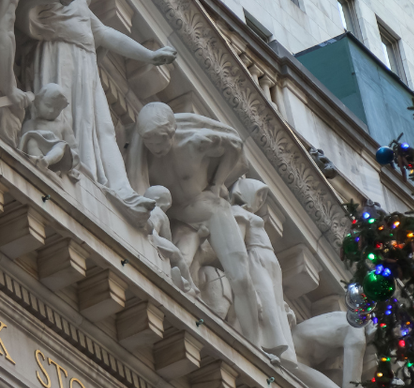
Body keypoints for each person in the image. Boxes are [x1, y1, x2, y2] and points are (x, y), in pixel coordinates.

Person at [11, 0, 177, 226]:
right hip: (55, 51)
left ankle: (121, 189)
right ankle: (57, 157)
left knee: (101, 125)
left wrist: (148, 56)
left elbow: (103, 33)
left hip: (84, 60)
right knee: (61, 113)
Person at [124, 103, 261, 341]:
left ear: (172, 132)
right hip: (176, 216)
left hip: (207, 209)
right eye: (151, 142)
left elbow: (235, 146)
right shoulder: (142, 151)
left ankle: (256, 344)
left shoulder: (194, 141)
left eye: (160, 141)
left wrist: (217, 184)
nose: (156, 148)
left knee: (240, 275)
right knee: (178, 262)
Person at [230, 176, 293, 357]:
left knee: (274, 302)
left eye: (263, 197)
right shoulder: (238, 211)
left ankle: (277, 346)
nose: (260, 201)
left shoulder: (248, 214)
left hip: (269, 261)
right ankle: (264, 345)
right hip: (256, 258)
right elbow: (238, 241)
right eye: (258, 195)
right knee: (265, 301)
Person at [144, 185, 197, 295]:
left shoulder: (142, 207)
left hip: (146, 233)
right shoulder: (160, 213)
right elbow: (167, 238)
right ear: (161, 203)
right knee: (178, 255)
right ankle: (189, 283)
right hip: (154, 237)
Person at [18, 83, 79, 178]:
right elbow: (24, 140)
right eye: (48, 105)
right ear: (37, 102)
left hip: (56, 156)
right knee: (31, 141)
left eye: (57, 108)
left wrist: (73, 168)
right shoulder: (31, 123)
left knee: (61, 145)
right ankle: (39, 162)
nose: (51, 111)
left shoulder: (62, 124)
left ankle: (46, 161)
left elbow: (73, 147)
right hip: (36, 152)